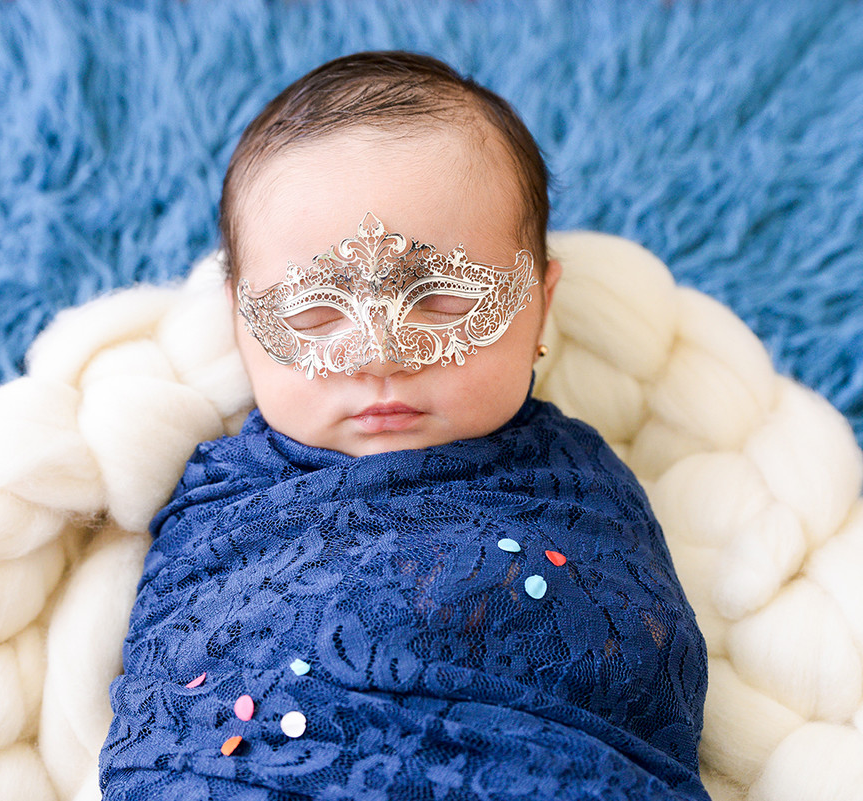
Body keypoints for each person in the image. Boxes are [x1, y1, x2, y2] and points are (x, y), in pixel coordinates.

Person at [99, 51, 710, 800]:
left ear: (541, 306)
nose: (380, 354)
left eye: (445, 299)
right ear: (238, 320)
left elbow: (640, 661)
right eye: (314, 313)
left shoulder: (577, 490)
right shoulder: (221, 497)